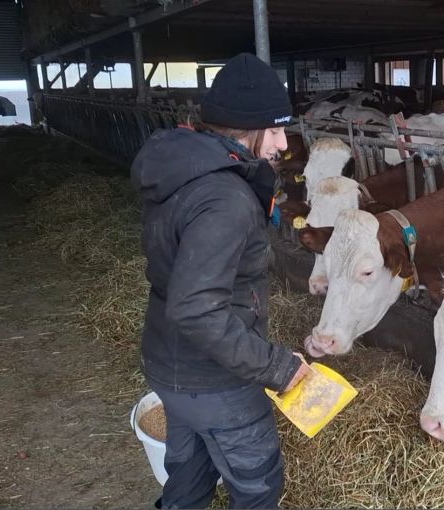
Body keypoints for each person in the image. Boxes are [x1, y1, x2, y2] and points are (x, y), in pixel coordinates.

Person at [130, 52, 310, 509]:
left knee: (188, 478)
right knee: (257, 486)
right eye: (273, 129)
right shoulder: (226, 199)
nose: (282, 143)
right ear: (243, 129)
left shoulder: (188, 170)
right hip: (216, 381)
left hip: (170, 365)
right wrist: (275, 366)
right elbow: (197, 306)